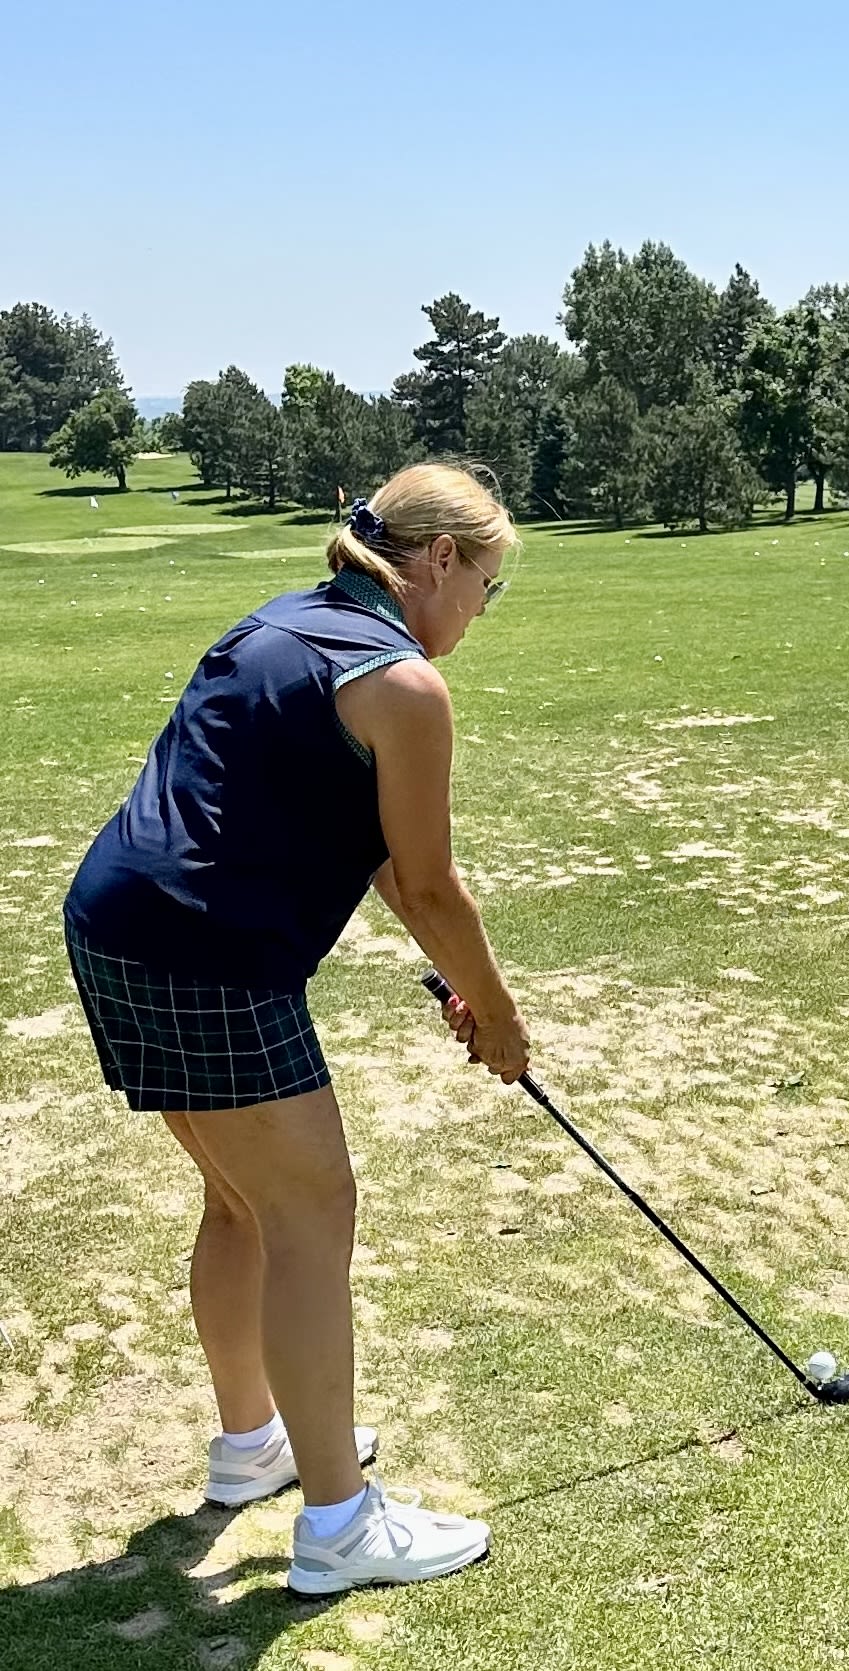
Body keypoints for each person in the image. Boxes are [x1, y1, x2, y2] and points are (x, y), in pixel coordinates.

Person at [62, 461, 531, 1591]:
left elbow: (366, 844)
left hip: (118, 924)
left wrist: (459, 981)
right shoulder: (405, 684)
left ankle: (250, 1447)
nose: (480, 610)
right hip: (203, 955)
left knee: (247, 1202)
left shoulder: (289, 623)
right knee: (313, 1207)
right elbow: (429, 886)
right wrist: (502, 1019)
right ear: (440, 560)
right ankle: (339, 1526)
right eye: (488, 585)